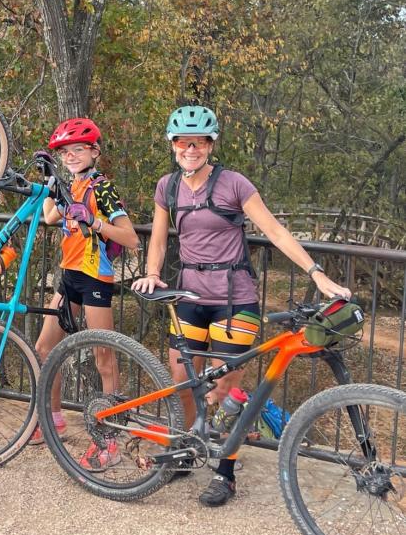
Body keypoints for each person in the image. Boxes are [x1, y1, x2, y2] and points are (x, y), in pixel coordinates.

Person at [131, 105, 350, 507]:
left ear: (211, 144)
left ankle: (225, 473)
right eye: (182, 141)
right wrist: (152, 271)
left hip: (235, 299)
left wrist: (317, 274)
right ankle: (184, 450)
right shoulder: (168, 187)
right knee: (182, 381)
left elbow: (276, 232)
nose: (190, 149)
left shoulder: (233, 184)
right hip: (187, 296)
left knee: (226, 388)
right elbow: (160, 238)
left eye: (198, 142)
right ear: (172, 145)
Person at [29, 118, 139, 472]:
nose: (72, 156)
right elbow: (48, 217)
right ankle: (54, 418)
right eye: (65, 152)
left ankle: (110, 437)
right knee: (44, 347)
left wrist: (94, 222)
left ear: (94, 151)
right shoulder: (70, 185)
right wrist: (51, 184)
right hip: (69, 277)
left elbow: (132, 239)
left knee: (103, 357)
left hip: (95, 278)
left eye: (79, 149)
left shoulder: (102, 189)